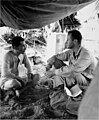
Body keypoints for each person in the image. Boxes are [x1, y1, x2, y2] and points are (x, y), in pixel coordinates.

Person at [46, 29, 96, 96]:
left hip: (90, 82)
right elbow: (56, 57)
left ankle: (77, 98)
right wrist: (48, 65)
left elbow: (73, 70)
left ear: (75, 41)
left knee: (69, 74)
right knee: (57, 63)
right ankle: (58, 91)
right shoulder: (71, 52)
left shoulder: (85, 54)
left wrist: (54, 72)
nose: (66, 42)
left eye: (68, 40)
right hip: (80, 77)